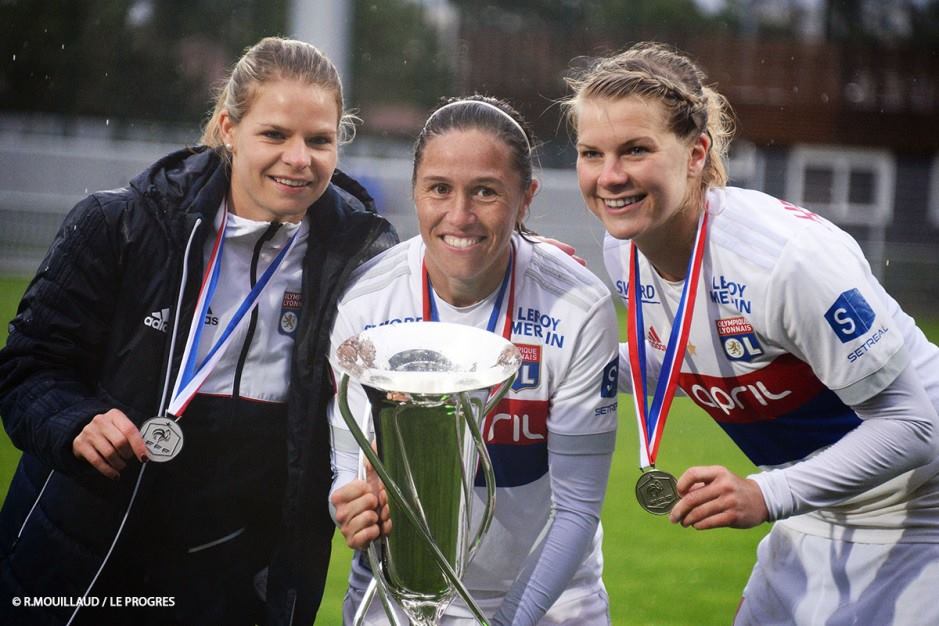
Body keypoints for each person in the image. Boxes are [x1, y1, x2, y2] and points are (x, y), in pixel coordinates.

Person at [0, 36, 397, 626]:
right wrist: (74, 420)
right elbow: (26, 370)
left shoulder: (361, 257)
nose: (299, 158)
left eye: (319, 140)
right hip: (88, 558)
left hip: (241, 581)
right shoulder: (123, 226)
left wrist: (517, 256)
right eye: (274, 135)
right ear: (228, 129)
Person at [563, 41, 939, 625]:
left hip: (922, 510)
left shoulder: (785, 261)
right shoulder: (624, 250)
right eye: (592, 152)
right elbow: (689, 363)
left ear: (694, 154)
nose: (609, 177)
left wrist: (765, 494)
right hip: (819, 506)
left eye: (635, 150)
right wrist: (546, 361)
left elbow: (916, 426)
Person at [328, 96, 620, 625]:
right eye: (439, 189)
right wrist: (345, 503)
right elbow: (348, 462)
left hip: (549, 605)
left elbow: (576, 510)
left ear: (525, 198)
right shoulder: (366, 301)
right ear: (416, 190)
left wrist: (508, 619)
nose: (459, 216)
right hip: (396, 600)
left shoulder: (578, 305)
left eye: (485, 192)